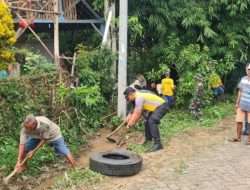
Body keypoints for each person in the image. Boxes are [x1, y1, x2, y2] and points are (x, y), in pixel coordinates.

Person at [123, 87, 169, 152]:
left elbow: (137, 113)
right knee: (147, 121)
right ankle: (148, 140)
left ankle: (158, 144)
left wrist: (130, 123)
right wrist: (127, 119)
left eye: (128, 98)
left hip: (162, 106)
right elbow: (133, 111)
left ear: (131, 94)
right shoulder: (137, 96)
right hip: (156, 108)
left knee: (152, 121)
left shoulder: (139, 97)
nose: (129, 100)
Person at [231, 64, 250, 143]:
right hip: (241, 103)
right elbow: (240, 91)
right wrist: (237, 102)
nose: (249, 71)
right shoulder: (243, 79)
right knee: (238, 121)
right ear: (246, 70)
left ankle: (249, 140)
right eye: (248, 69)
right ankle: (238, 138)